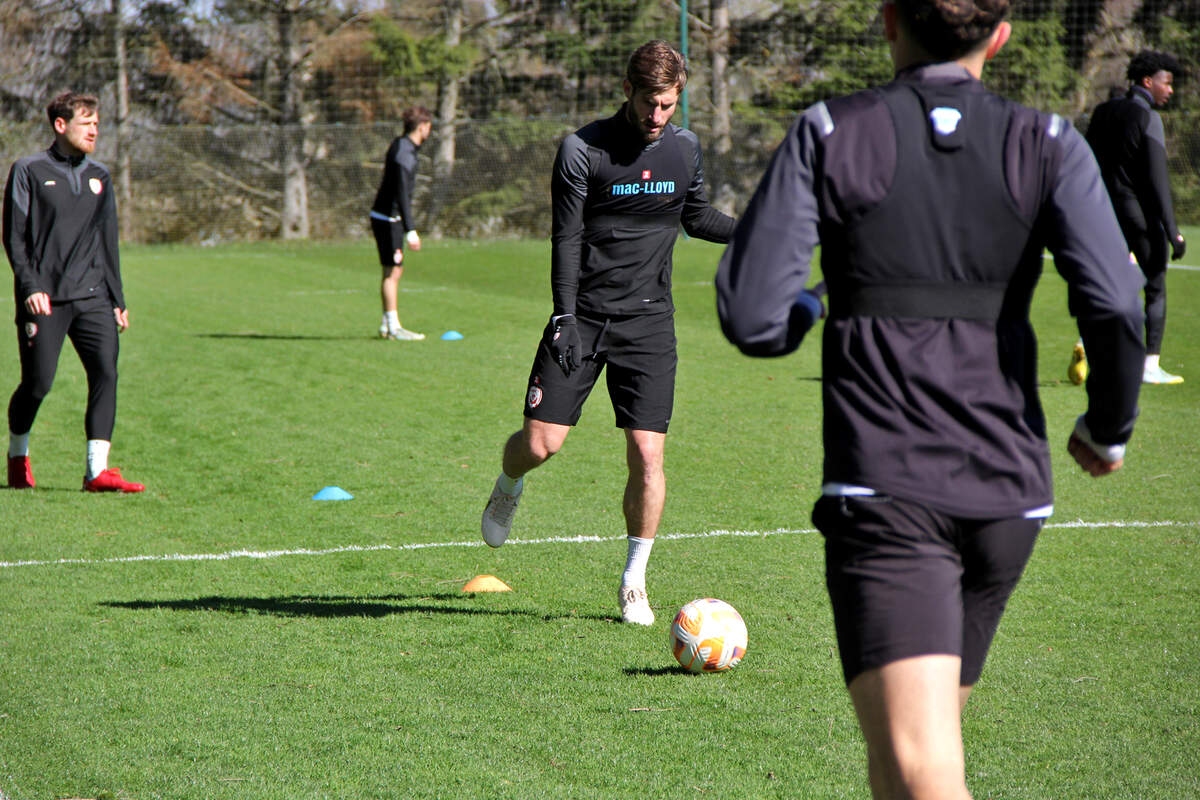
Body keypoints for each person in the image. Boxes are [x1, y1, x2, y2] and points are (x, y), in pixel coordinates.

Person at [715, 2, 1143, 798]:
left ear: (886, 22)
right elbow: (1116, 303)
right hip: (1011, 502)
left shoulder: (831, 130)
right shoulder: (1049, 141)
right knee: (900, 765)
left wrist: (812, 305)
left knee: (922, 777)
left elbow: (753, 319)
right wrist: (1109, 427)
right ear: (1000, 36)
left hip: (890, 492)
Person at [481, 40, 735, 625]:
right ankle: (508, 482)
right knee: (541, 446)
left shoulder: (684, 149)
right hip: (584, 316)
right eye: (650, 102)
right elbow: (566, 238)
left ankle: (633, 582)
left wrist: (755, 232)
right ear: (628, 90)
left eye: (669, 105)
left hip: (648, 322)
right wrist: (564, 316)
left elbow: (695, 218)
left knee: (648, 456)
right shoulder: (582, 150)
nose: (657, 116)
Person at [3, 91, 144, 492]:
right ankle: (17, 455)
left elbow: (107, 241)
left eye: (97, 123)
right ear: (60, 125)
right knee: (39, 383)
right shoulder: (28, 171)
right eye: (87, 123)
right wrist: (30, 287)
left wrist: (117, 299)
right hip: (44, 298)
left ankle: (96, 472)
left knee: (105, 372)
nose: (95, 129)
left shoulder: (100, 176)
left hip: (93, 295)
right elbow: (15, 239)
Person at [1085, 50, 1186, 384]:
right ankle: (1149, 365)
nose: (1170, 90)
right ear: (1148, 82)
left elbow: (1086, 163)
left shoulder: (1101, 112)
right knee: (1155, 286)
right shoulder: (1148, 119)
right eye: (1167, 83)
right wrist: (1173, 233)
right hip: (1139, 216)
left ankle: (1090, 344)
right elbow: (1157, 181)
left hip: (1102, 213)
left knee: (1111, 283)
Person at [370, 105, 433, 341]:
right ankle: (394, 326)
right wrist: (411, 231)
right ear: (422, 126)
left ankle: (387, 325)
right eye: (428, 126)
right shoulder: (404, 154)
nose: (429, 131)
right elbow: (402, 194)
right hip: (388, 219)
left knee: (393, 270)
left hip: (388, 217)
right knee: (392, 272)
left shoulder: (402, 145)